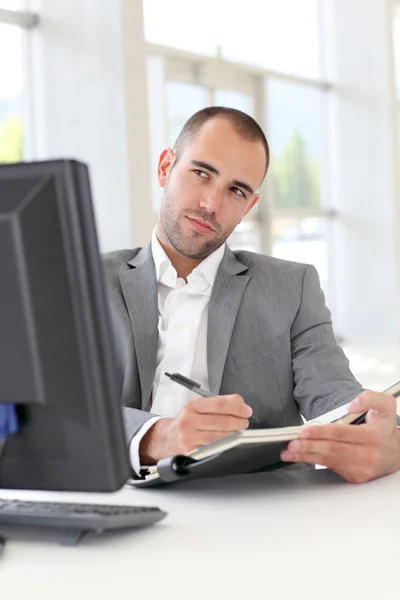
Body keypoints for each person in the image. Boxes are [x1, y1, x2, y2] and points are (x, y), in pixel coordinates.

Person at [103, 106, 400, 484]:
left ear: (250, 206)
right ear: (165, 168)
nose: (211, 203)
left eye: (236, 190)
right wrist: (157, 436)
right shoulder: (86, 280)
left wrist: (386, 439)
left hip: (256, 518)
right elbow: (50, 413)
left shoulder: (292, 287)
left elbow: (335, 397)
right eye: (201, 173)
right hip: (115, 505)